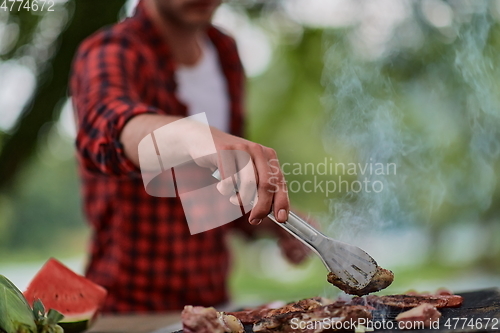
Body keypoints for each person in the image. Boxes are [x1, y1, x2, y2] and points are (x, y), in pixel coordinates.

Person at [70, 0, 310, 313]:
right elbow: (106, 123)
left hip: (212, 307)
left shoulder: (225, 53)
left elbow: (215, 193)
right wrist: (196, 136)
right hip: (128, 311)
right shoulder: (111, 50)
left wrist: (271, 219)